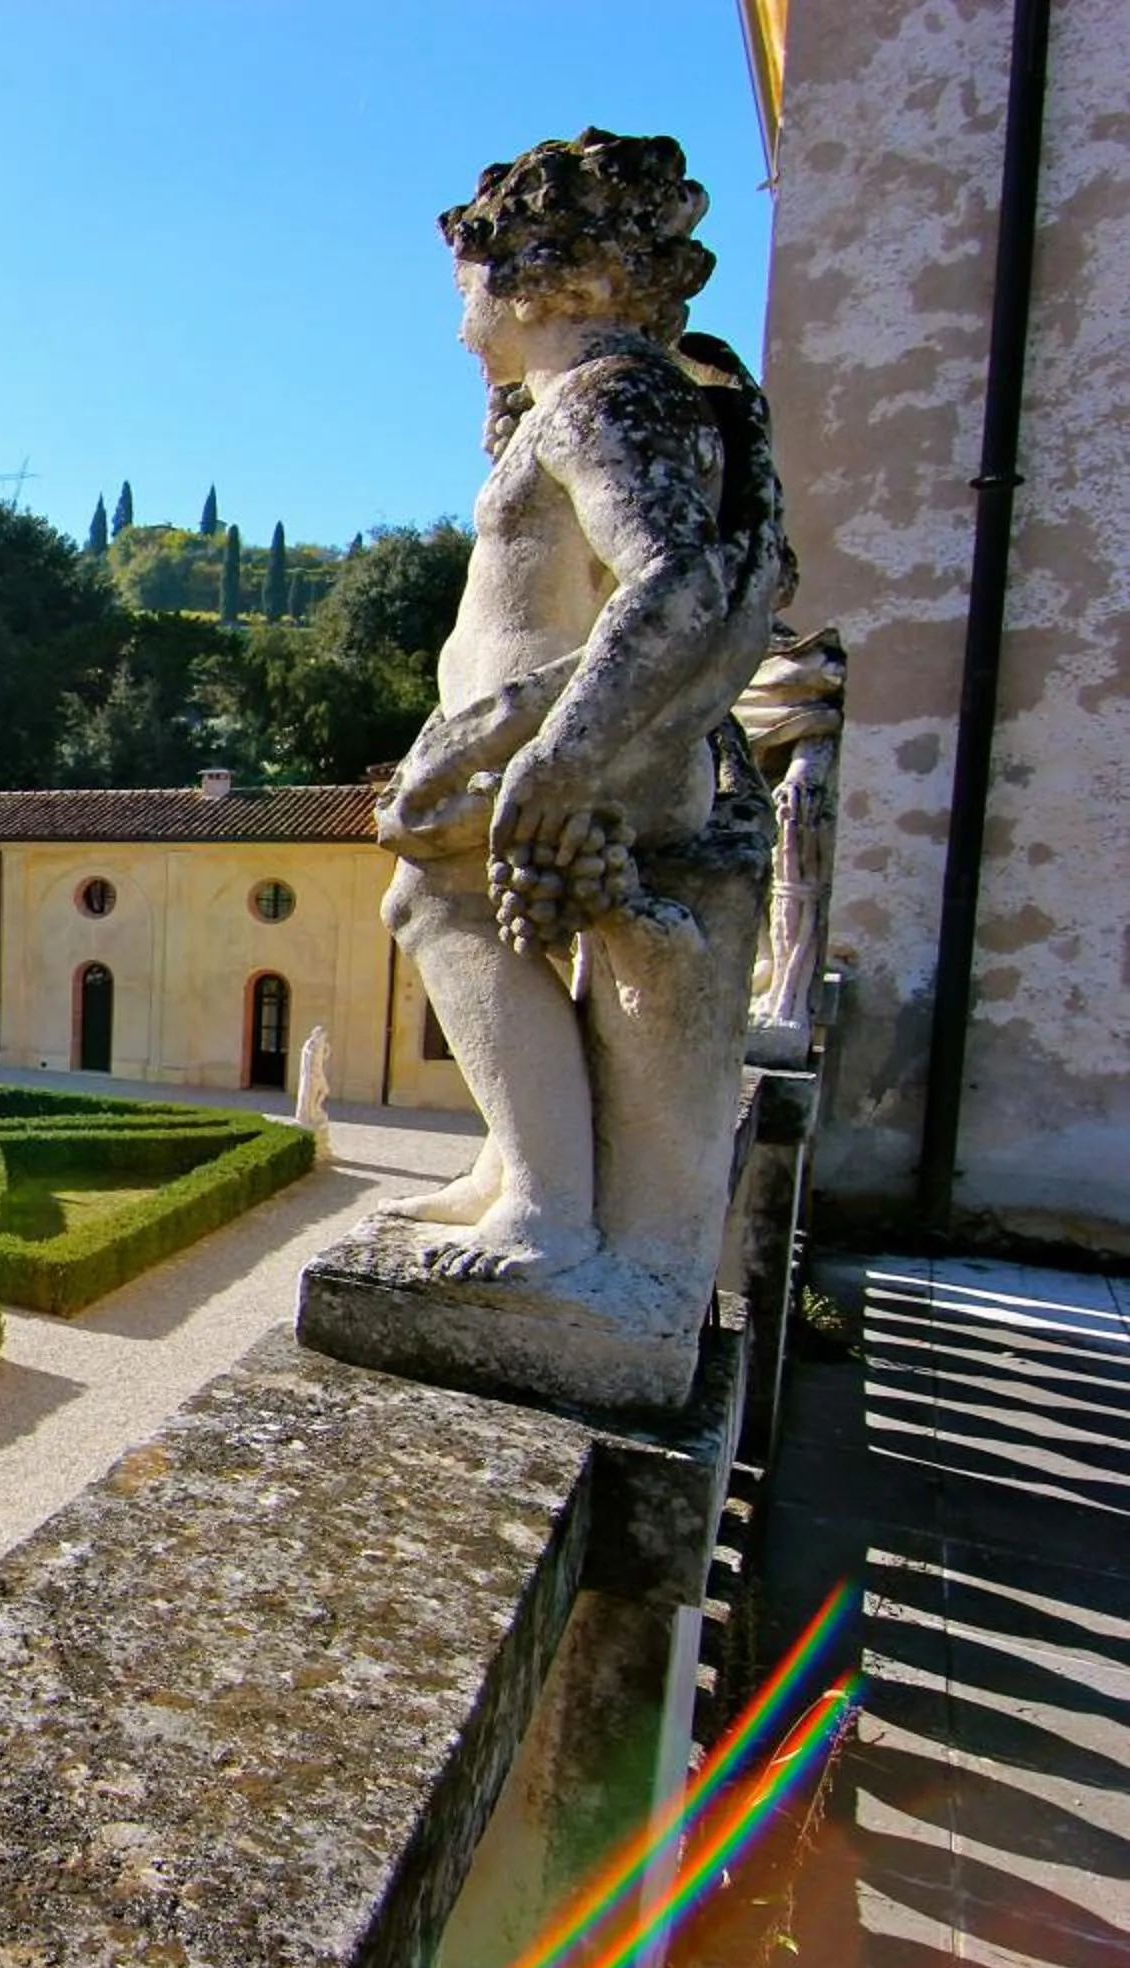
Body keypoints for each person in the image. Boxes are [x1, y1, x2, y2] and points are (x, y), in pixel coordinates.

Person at [376, 130, 788, 1287]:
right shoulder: (616, 398)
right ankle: (520, 1168)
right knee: (456, 915)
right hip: (562, 737)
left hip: (575, 745)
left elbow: (676, 578)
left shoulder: (598, 398)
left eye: (464, 289)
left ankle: (550, 1212)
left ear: (532, 275)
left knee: (438, 911)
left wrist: (564, 752)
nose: (461, 321)